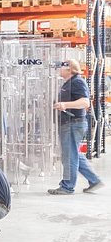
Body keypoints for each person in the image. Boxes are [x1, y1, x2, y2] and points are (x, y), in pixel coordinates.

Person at [49, 59, 104, 195]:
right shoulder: (69, 83)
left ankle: (67, 186)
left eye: (61, 67)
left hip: (72, 123)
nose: (59, 70)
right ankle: (94, 180)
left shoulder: (77, 81)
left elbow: (85, 102)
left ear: (69, 69)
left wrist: (65, 105)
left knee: (69, 156)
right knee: (74, 154)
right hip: (70, 123)